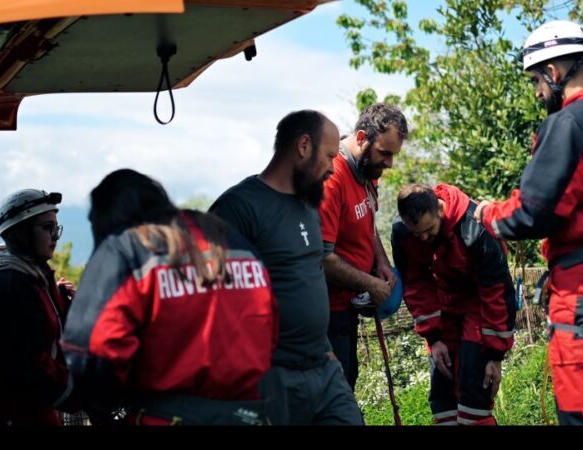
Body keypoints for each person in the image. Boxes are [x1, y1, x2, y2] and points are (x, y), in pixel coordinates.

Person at [474, 20, 583, 425]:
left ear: (553, 72)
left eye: (536, 81)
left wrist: (487, 213)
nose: (538, 92)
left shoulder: (570, 122)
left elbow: (532, 211)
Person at [61, 169, 278, 425]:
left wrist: (107, 404)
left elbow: (92, 349)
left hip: (163, 415)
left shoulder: (127, 248)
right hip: (247, 414)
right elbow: (271, 324)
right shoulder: (228, 238)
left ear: (104, 217)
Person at [210, 110, 363, 425]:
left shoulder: (309, 204)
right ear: (304, 146)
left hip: (324, 369)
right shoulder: (238, 208)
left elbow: (310, 276)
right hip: (270, 378)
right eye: (329, 156)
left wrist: (327, 352)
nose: (333, 168)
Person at [392, 183, 516, 425]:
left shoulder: (476, 227)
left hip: (479, 307)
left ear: (440, 209)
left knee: (475, 390)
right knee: (443, 394)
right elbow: (416, 285)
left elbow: (496, 293)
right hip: (443, 307)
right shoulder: (403, 234)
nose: (423, 238)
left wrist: (495, 355)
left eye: (428, 230)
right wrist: (434, 338)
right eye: (417, 234)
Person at [0, 189, 77, 425]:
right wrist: (83, 396)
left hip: (21, 403)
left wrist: (62, 303)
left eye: (56, 228)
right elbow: (29, 364)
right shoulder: (8, 285)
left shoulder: (27, 275)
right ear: (20, 233)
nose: (55, 237)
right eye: (47, 228)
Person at [318, 103, 408, 391]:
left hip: (347, 307)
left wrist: (381, 262)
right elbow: (321, 258)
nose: (389, 163)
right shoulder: (331, 179)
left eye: (393, 155)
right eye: (385, 153)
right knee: (336, 394)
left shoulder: (367, 169)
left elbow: (368, 222)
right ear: (360, 138)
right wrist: (370, 284)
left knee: (349, 382)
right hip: (326, 315)